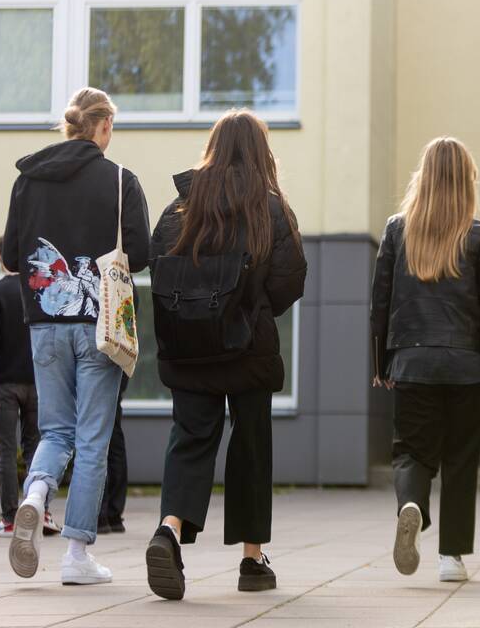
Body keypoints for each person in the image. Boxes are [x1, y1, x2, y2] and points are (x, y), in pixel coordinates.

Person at [144, 109, 306, 601]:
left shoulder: (180, 205)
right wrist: (254, 306)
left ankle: (169, 531)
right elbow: (290, 277)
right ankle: (252, 561)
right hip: (248, 349)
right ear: (260, 151)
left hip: (190, 350)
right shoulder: (270, 206)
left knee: (190, 438)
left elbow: (160, 269)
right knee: (251, 447)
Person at [1, 87, 150, 585]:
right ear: (103, 126)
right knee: (91, 439)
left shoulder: (28, 179)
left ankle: (34, 496)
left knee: (55, 431)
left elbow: (10, 254)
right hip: (99, 326)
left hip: (44, 326)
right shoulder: (121, 180)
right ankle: (76, 556)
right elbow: (143, 253)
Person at [371, 136, 480, 583]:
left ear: (423, 176)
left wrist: (381, 364)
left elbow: (380, 301)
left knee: (412, 452)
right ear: (468, 179)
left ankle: (411, 504)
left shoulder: (396, 229)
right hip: (467, 367)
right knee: (461, 459)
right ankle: (451, 558)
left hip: (412, 363)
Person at [0, 237, 59, 539]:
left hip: (5, 383)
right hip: (39, 381)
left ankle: (12, 519)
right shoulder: (38, 289)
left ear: (0, 257)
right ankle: (42, 511)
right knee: (38, 449)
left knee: (7, 451)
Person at [97, 371, 129, 535]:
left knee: (97, 439)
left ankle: (100, 513)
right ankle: (114, 514)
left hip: (99, 367)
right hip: (120, 360)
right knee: (114, 438)